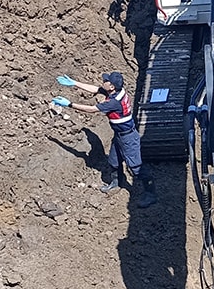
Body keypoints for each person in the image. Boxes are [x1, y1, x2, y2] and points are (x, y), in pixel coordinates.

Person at [52, 71, 158, 208]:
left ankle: (150, 193)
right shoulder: (117, 92)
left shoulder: (114, 102)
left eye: (106, 81)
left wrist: (70, 104)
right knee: (114, 160)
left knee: (136, 167)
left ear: (112, 86)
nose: (103, 81)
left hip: (128, 138)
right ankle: (116, 183)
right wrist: (74, 83)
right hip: (119, 135)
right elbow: (96, 89)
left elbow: (91, 109)